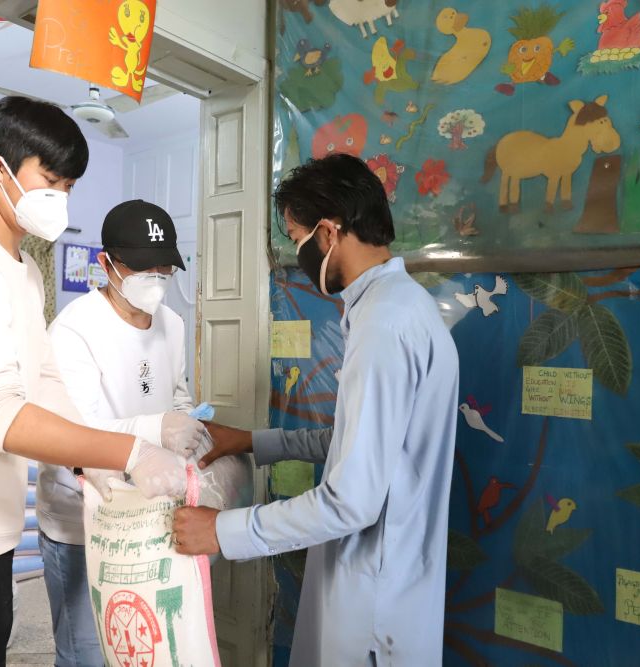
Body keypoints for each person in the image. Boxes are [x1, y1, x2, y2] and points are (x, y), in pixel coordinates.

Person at [0, 97, 187, 667]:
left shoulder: (23, 267)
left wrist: (93, 461)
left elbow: (42, 380)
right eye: (51, 180)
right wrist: (129, 451)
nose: (61, 198)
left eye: (69, 186)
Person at [172, 153, 460, 666]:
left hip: (373, 604)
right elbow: (357, 444)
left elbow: (351, 502)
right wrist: (254, 441)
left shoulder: (385, 326)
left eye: (296, 238)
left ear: (328, 233)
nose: (297, 254)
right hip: (386, 584)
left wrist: (221, 529)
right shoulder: (397, 307)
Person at [37, 199, 207, 666]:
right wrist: (156, 428)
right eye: (141, 268)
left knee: (146, 646)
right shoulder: (74, 330)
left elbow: (177, 397)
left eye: (162, 268)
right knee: (89, 653)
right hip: (83, 520)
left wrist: (187, 426)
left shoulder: (172, 324)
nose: (155, 278)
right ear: (106, 263)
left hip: (153, 514)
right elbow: (72, 433)